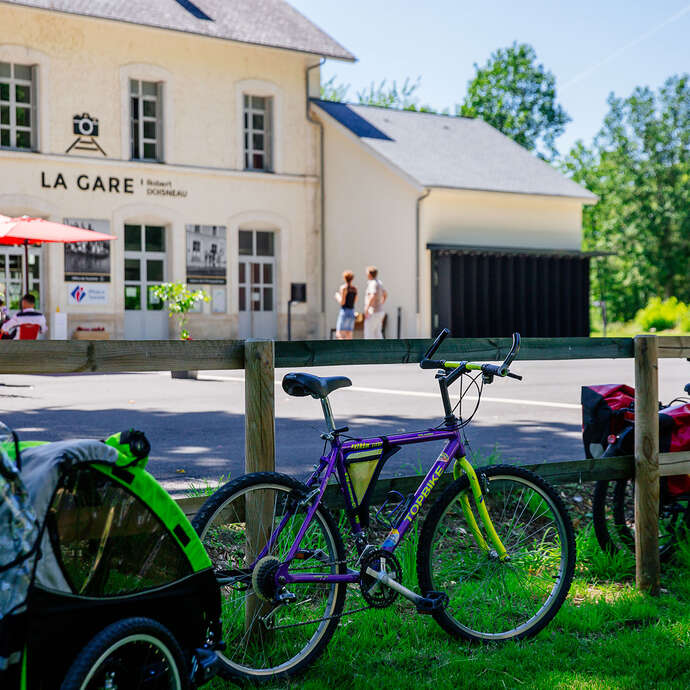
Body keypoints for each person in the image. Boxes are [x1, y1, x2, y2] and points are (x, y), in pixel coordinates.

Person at [363, 265, 387, 339]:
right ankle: (381, 350)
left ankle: (369, 350)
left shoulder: (372, 283)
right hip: (380, 311)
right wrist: (381, 303)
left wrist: (367, 308)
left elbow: (372, 295)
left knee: (369, 333)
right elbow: (385, 294)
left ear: (369, 274)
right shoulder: (379, 283)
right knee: (377, 333)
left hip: (373, 312)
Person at [335, 270, 357, 340]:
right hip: (352, 311)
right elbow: (355, 301)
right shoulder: (354, 289)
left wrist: (337, 296)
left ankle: (341, 350)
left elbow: (342, 302)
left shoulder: (343, 288)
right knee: (349, 335)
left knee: (339, 334)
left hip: (344, 311)